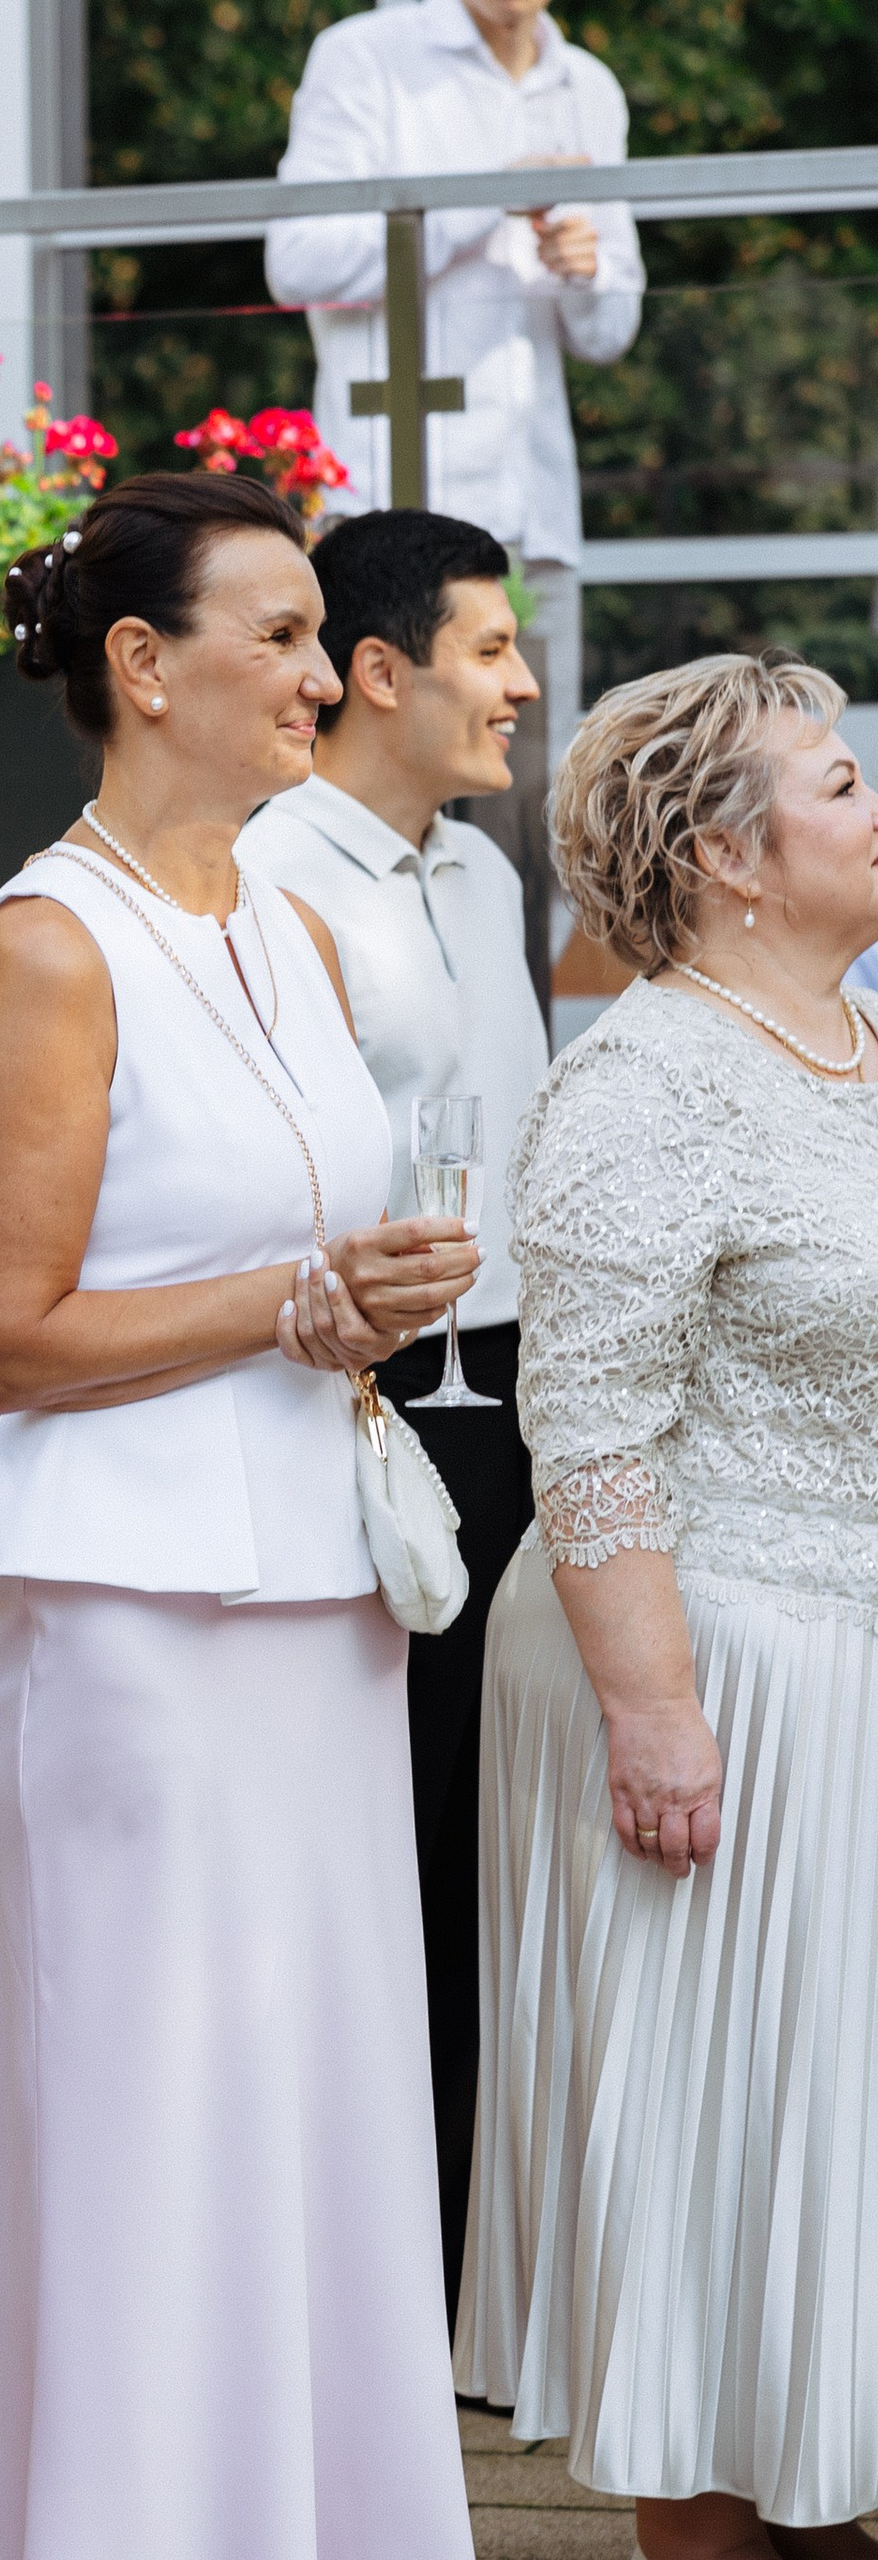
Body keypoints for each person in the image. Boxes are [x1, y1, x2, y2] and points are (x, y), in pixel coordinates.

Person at [0, 469, 481, 2558]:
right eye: (265, 630)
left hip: (317, 1587)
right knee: (154, 2110)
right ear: (139, 666)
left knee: (320, 2096)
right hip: (133, 1612)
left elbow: (310, 1260)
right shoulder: (44, 940)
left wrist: (365, 1301)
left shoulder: (291, 924)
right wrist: (288, 1299)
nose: (306, 667)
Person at [461, 655, 878, 2560]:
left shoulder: (855, 1043)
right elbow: (595, 1430)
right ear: (731, 854)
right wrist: (658, 1711)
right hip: (713, 1679)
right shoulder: (640, 1078)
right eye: (843, 777)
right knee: (718, 2177)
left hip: (851, 1663)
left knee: (832, 2176)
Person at [238, 503, 551, 2314]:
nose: (519, 682)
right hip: (371, 1414)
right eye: (490, 650)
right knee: (387, 1848)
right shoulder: (272, 873)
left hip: (514, 1402)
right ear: (380, 672)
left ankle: (467, 2284)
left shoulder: (488, 873)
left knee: (485, 1846)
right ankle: (377, 2293)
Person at [267, 0, 645, 739]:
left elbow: (609, 332)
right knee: (369, 774)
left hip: (531, 519)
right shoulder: (365, 54)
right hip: (384, 504)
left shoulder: (587, 86)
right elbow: (298, 262)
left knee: (525, 798)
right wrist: (483, 200)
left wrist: (585, 272)